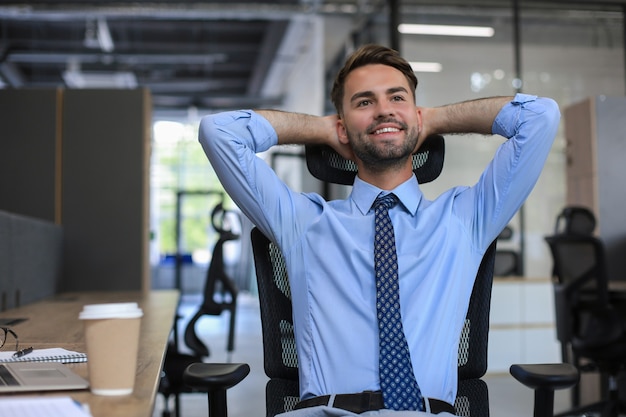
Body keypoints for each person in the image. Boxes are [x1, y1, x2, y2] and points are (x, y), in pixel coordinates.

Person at [199, 44, 560, 416]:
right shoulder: (304, 222)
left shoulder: (464, 219)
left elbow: (539, 118)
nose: (384, 109)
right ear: (342, 125)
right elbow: (218, 132)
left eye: (396, 98)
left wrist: (433, 119)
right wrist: (320, 128)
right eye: (364, 102)